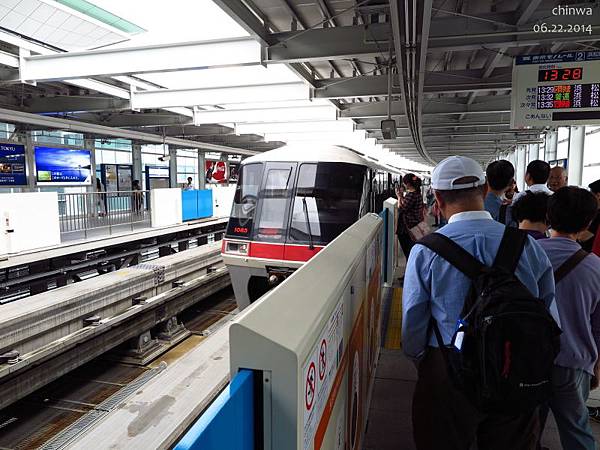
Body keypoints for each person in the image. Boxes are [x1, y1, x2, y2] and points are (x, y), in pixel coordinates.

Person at [402, 155, 556, 450]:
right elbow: (549, 314)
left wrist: (429, 365)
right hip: (516, 366)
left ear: (436, 197)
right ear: (486, 190)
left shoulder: (425, 251)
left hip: (448, 366)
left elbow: (413, 327)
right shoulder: (528, 246)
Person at [538, 186, 600, 450]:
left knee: (524, 429)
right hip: (573, 362)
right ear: (588, 222)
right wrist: (597, 367)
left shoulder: (527, 254)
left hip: (527, 358)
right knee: (577, 430)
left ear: (549, 217)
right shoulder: (595, 267)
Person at [396, 173, 423, 259]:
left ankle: (410, 270)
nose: (403, 185)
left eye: (404, 183)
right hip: (415, 224)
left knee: (408, 251)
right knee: (411, 249)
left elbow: (401, 208)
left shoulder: (411, 195)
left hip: (407, 227)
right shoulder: (417, 193)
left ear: (407, 184)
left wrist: (399, 197)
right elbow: (407, 205)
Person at [581, 179, 600, 252]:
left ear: (598, 195)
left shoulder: (598, 216)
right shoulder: (594, 212)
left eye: (591, 194)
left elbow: (583, 237)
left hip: (589, 254)